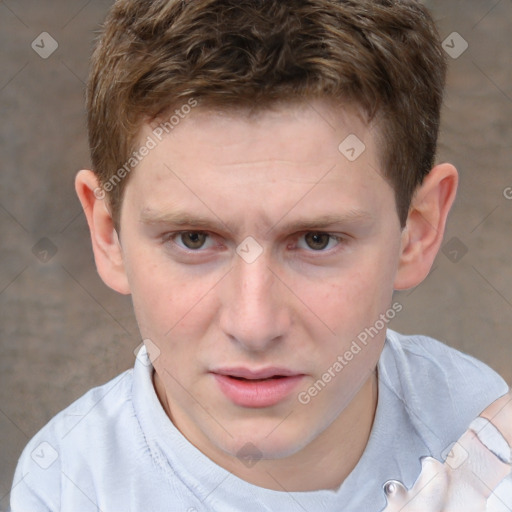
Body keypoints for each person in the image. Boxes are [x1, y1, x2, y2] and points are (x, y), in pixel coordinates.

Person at [9, 0, 512, 510]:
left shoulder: (474, 427)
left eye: (317, 239)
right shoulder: (68, 484)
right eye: (194, 239)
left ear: (417, 232)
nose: (253, 325)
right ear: (108, 235)